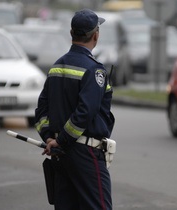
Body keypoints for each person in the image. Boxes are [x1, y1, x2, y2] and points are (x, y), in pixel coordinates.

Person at [35, 8, 115, 210]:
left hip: (60, 155)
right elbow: (85, 112)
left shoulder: (56, 66)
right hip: (84, 153)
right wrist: (61, 140)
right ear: (95, 35)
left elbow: (41, 110)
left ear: (72, 33)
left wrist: (49, 138)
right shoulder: (93, 69)